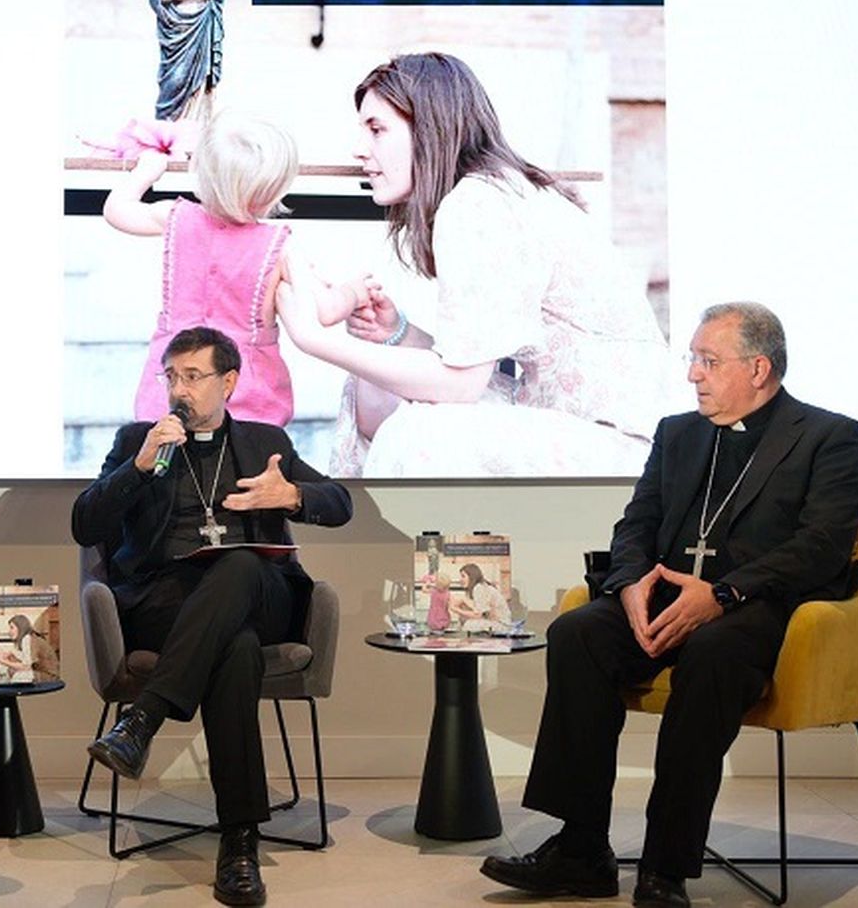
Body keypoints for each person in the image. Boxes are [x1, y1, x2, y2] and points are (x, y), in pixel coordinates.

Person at [480, 302, 858, 908]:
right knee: (578, 632)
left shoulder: (830, 436)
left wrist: (722, 594)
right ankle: (581, 850)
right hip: (661, 602)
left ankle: (666, 864)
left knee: (713, 651)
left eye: (708, 361)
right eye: (693, 359)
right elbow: (638, 521)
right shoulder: (677, 433)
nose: (693, 374)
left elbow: (823, 544)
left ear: (758, 368)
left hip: (753, 609)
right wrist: (630, 583)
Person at [276, 51, 674, 478]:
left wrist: (315, 341)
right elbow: (471, 363)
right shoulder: (495, 191)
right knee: (375, 382)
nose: (360, 150)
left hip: (619, 445)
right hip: (571, 423)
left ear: (430, 128)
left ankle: (356, 522)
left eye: (377, 130)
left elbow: (461, 385)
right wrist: (399, 333)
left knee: (420, 433)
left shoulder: (479, 203)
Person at [72, 325, 352, 907]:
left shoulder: (264, 442)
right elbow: (84, 524)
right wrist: (137, 469)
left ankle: (143, 722)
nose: (179, 389)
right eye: (171, 376)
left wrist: (292, 496)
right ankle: (239, 844)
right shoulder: (137, 442)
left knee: (241, 566)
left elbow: (340, 503)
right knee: (236, 649)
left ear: (228, 383)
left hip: (261, 593)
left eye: (193, 376)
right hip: (165, 602)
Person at [106, 111, 373, 428]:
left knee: (169, 449)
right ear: (274, 191)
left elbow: (117, 210)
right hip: (245, 398)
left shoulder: (176, 217)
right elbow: (326, 310)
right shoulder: (279, 246)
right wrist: (355, 292)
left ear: (198, 170)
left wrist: (146, 172)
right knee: (244, 456)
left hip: (172, 386)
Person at [449, 562, 513, 632]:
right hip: (493, 621)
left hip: (501, 624)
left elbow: (478, 615)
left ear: (471, 576)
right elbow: (478, 610)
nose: (460, 580)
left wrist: (456, 609)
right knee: (464, 621)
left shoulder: (479, 588)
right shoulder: (477, 588)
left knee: (469, 624)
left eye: (463, 576)